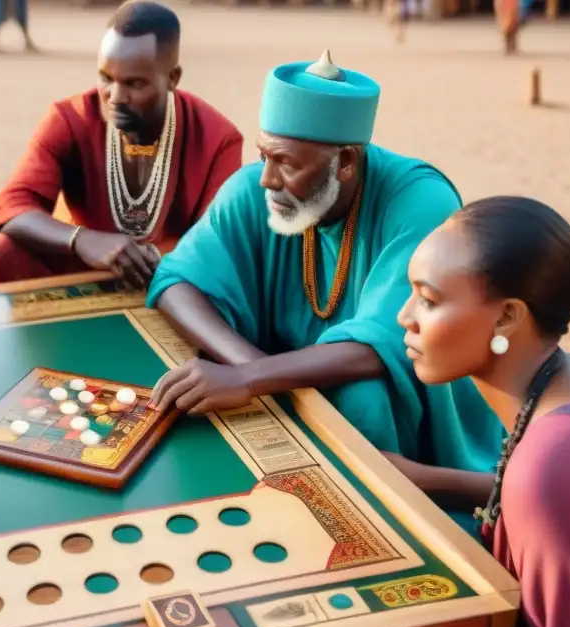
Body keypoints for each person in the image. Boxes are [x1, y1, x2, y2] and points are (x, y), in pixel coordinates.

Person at [146, 50, 505, 528]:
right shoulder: (260, 186)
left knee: (363, 396)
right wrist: (251, 366)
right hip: (283, 377)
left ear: (346, 163)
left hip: (409, 409)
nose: (268, 179)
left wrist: (251, 381)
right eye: (263, 155)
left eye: (286, 163)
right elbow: (176, 281)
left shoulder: (421, 199)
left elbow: (388, 344)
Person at [339, 196, 570, 627]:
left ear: (507, 319)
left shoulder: (555, 466)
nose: (404, 317)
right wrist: (431, 481)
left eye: (429, 299)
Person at [0, 0, 243, 288]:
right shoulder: (70, 119)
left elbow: (218, 245)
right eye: (106, 78)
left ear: (172, 78)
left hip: (175, 280)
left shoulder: (217, 138)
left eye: (135, 84)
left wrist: (157, 260)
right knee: (8, 246)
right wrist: (82, 239)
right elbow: (13, 207)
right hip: (88, 268)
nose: (115, 96)